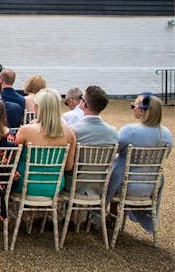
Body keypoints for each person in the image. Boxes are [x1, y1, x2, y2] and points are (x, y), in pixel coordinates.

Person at [106, 93, 173, 234]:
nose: (132, 109)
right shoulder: (166, 134)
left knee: (112, 170)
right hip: (151, 186)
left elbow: (112, 151)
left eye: (133, 106)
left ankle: (106, 214)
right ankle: (111, 216)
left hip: (126, 186)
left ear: (142, 110)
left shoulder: (130, 131)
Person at [14, 88, 76, 196]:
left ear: (38, 108)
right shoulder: (69, 133)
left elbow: (13, 160)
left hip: (25, 185)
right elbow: (68, 167)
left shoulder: (25, 131)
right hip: (55, 186)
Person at [69, 85, 119, 195]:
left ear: (84, 104)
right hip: (100, 185)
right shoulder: (113, 132)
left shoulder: (74, 130)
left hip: (74, 184)